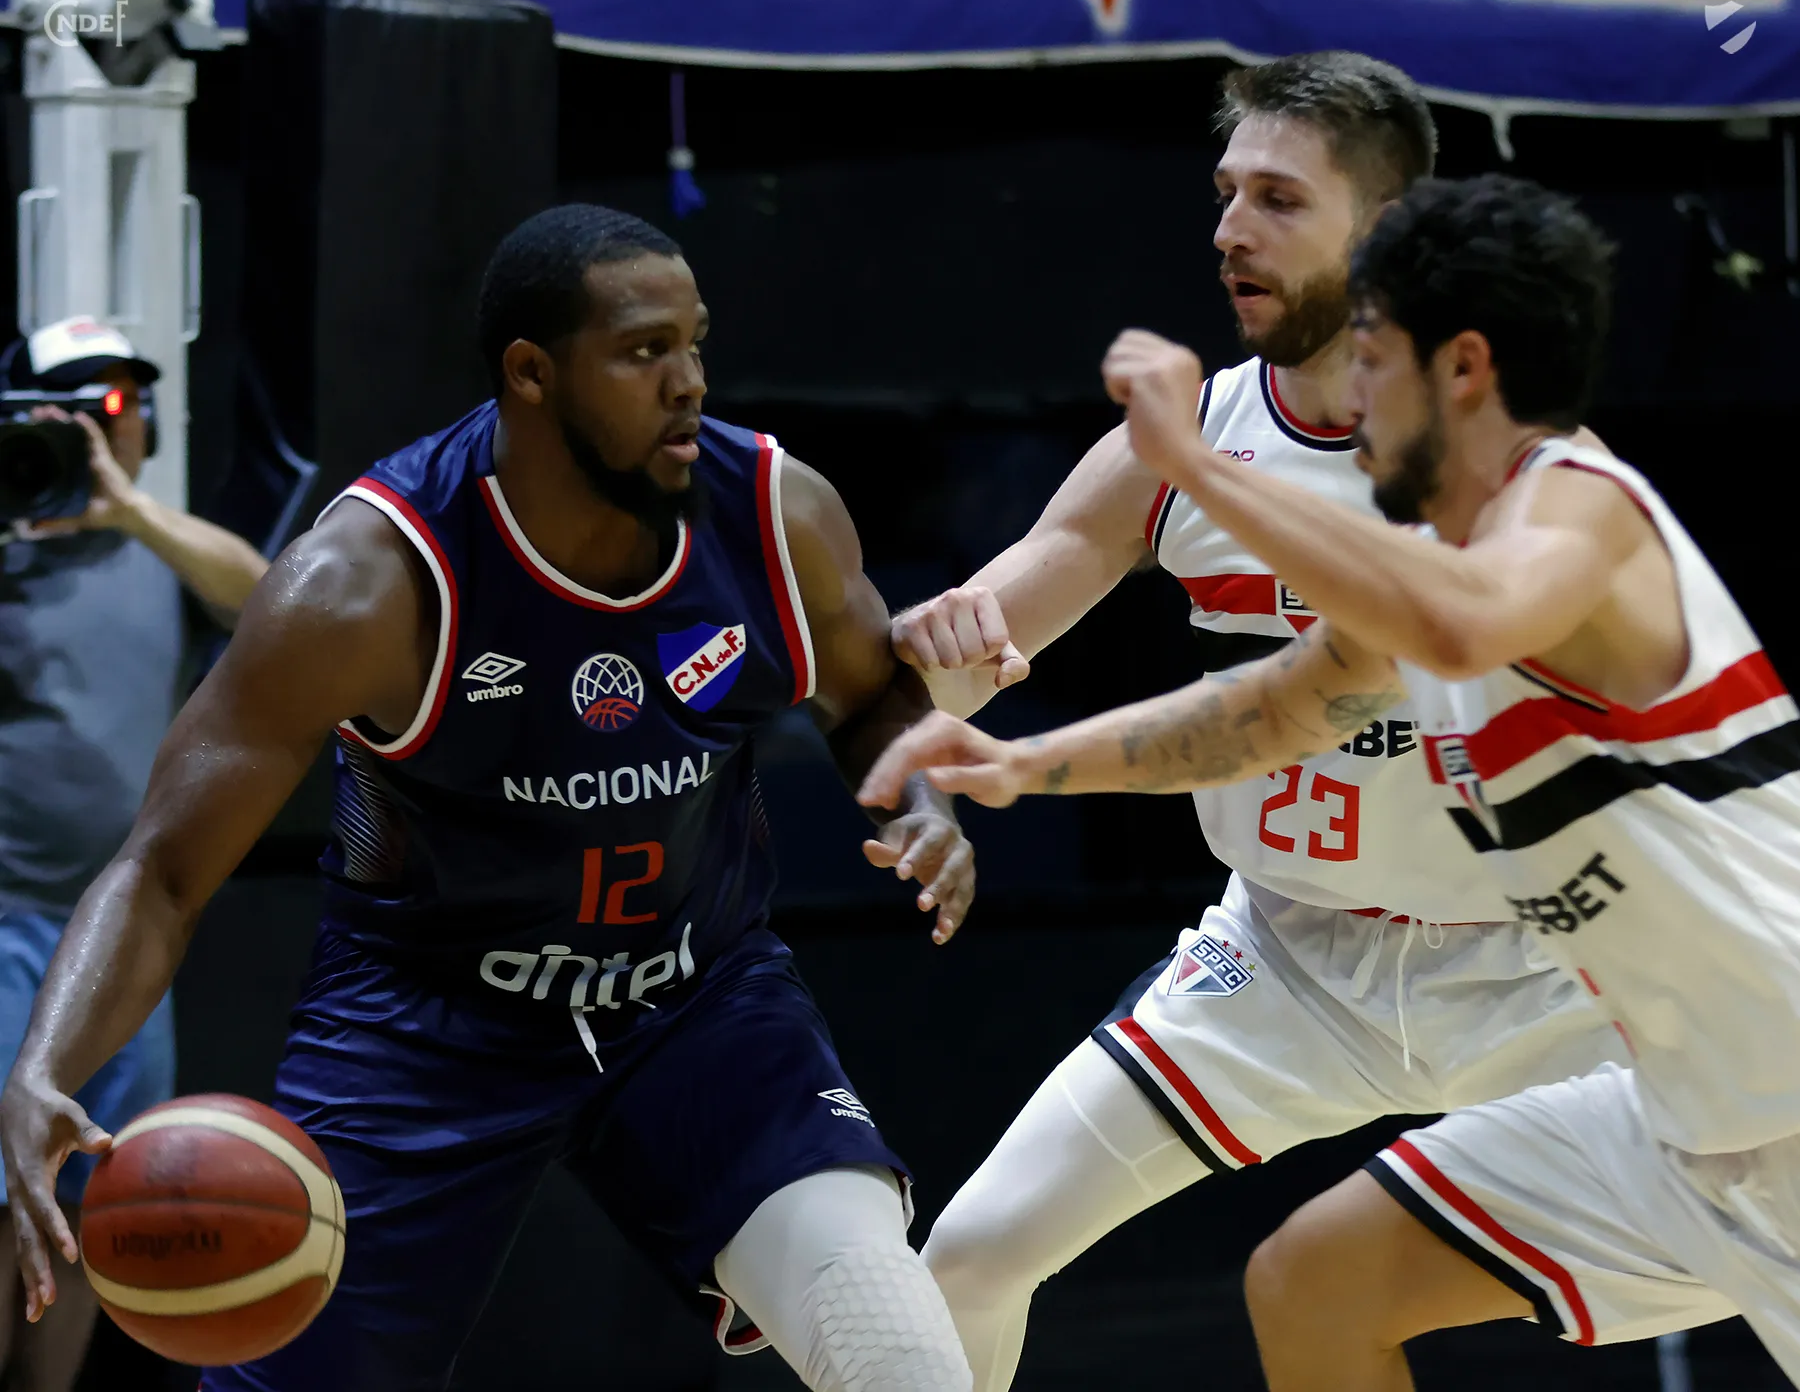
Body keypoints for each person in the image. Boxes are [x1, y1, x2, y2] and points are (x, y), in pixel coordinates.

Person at [0, 207, 977, 1392]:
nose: (688, 383)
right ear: (531, 372)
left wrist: (920, 802)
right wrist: (43, 1071)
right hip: (423, 1029)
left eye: (695, 345)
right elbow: (161, 871)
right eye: (644, 351)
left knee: (898, 1351)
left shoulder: (777, 512)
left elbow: (872, 699)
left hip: (696, 999)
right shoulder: (366, 582)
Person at [867, 174, 1800, 1385]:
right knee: (1316, 1282)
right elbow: (1269, 713)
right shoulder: (1423, 570)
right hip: (1670, 1116)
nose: (1348, 402)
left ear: (1463, 368)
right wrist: (1018, 765)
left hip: (1773, 1084)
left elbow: (1466, 625)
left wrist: (1198, 468)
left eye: (1371, 361)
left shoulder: (1580, 508)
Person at [0, 315, 270, 1391]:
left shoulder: (164, 551)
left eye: (117, 404)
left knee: (92, 1198)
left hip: (119, 940)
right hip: (8, 923)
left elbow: (267, 598)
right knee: (5, 1190)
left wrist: (129, 509)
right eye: (69, 410)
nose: (101, 427)